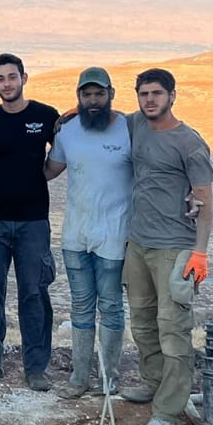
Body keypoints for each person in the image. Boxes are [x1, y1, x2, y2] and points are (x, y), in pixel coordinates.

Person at [119, 68, 213, 425]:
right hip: (138, 244)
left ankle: (168, 411)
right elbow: (107, 117)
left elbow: (203, 199)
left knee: (172, 328)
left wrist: (200, 253)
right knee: (143, 321)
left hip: (175, 247)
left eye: (157, 93)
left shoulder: (188, 142)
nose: (150, 100)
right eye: (143, 94)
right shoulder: (136, 125)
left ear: (172, 95)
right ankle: (153, 381)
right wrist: (74, 112)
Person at [0, 53, 60, 390]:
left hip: (33, 220)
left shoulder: (45, 116)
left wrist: (37, 179)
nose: (7, 84)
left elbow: (64, 153)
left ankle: (35, 367)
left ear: (24, 78)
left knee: (34, 293)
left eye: (12, 77)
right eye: (1, 78)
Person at [44, 66, 132, 399]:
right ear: (78, 97)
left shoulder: (130, 128)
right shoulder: (68, 132)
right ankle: (79, 378)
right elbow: (49, 170)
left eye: (99, 94)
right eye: (86, 94)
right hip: (75, 235)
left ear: (111, 94)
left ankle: (108, 379)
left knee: (111, 306)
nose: (93, 101)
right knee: (80, 307)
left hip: (114, 236)